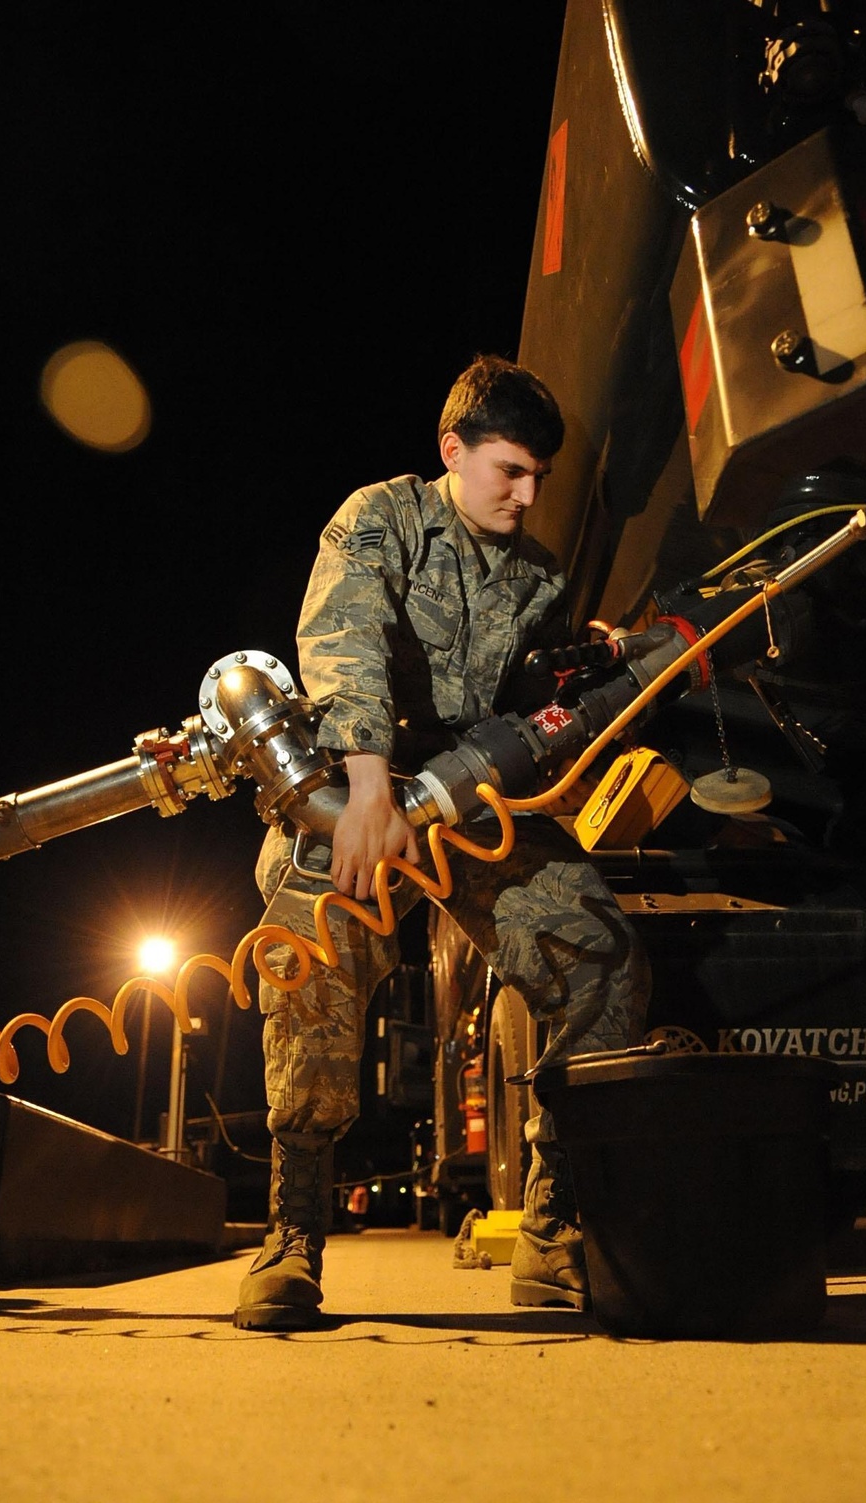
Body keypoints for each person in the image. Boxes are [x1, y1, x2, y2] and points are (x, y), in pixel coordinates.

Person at [234, 354, 650, 1331]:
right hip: (356, 794)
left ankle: (554, 1227)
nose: (526, 493)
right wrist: (369, 785)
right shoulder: (381, 517)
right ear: (452, 450)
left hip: (465, 811)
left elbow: (531, 713)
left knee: (599, 952)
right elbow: (347, 641)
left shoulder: (538, 574)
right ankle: (292, 1234)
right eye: (508, 469)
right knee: (304, 964)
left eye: (539, 476)